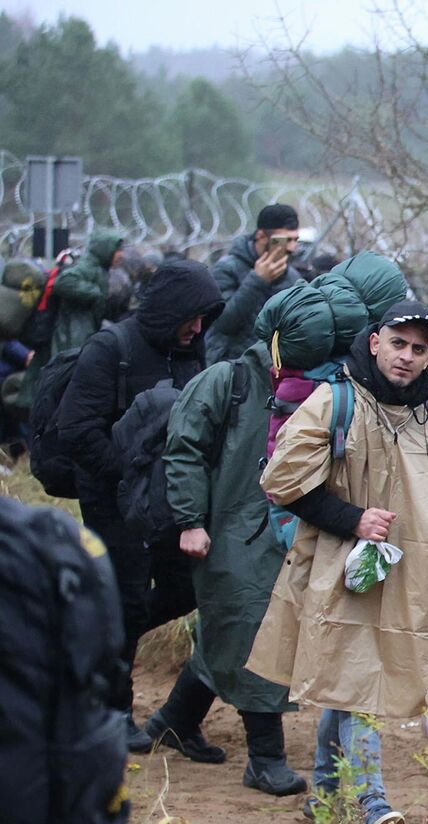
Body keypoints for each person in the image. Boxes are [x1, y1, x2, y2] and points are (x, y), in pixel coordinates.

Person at [249, 300, 428, 824]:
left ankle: (326, 793)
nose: (406, 357)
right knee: (360, 675)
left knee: (349, 677)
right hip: (342, 567)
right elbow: (282, 483)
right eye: (397, 343)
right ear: (375, 342)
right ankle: (372, 801)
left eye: (419, 349)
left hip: (412, 574)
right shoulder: (335, 401)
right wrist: (352, 519)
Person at [150, 286, 331, 797]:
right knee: (254, 629)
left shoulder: (311, 389)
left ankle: (174, 719)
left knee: (227, 631)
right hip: (228, 530)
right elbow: (183, 451)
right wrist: (190, 519)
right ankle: (265, 758)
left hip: (276, 529)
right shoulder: (226, 382)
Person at [57, 257, 224, 751]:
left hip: (168, 498)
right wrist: (129, 472)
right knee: (128, 598)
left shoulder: (193, 348)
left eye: (205, 318)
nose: (197, 328)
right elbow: (76, 431)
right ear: (168, 310)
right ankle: (114, 711)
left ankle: (92, 636)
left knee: (186, 585)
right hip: (111, 498)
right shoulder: (111, 348)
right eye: (191, 317)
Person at [206, 203, 303, 362]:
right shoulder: (227, 269)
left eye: (295, 240)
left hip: (272, 366)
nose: (292, 248)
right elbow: (223, 323)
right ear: (261, 236)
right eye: (285, 240)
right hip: (232, 366)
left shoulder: (292, 277)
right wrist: (258, 280)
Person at [49, 230, 126, 355]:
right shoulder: (88, 266)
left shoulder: (100, 268)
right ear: (105, 249)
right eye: (117, 250)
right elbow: (63, 282)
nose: (121, 255)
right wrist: (94, 293)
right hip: (72, 335)